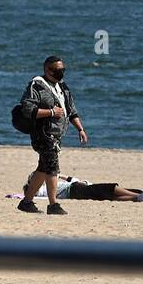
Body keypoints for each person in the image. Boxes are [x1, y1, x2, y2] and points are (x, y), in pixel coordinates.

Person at [17, 56, 86, 215]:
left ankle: (26, 202)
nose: (61, 73)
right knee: (52, 168)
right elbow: (27, 109)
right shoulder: (37, 86)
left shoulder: (63, 87)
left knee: (43, 168)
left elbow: (71, 111)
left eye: (63, 70)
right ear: (47, 70)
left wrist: (80, 129)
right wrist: (51, 112)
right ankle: (53, 204)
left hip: (56, 135)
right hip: (43, 134)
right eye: (57, 70)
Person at [23, 175, 143, 202]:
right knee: (109, 188)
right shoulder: (41, 191)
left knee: (108, 196)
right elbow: (35, 194)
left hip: (78, 187)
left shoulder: (48, 184)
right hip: (74, 190)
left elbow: (71, 179)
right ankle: (137, 196)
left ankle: (141, 197)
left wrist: (59, 174)